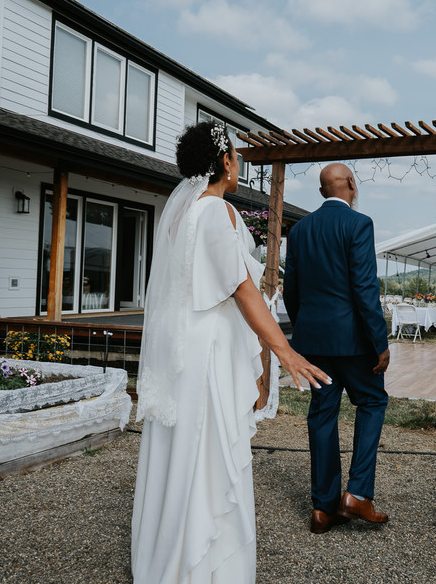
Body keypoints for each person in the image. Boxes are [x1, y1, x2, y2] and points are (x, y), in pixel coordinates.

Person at [131, 122, 330, 584]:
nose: (238, 164)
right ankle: (206, 564)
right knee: (208, 448)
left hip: (184, 342)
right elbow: (242, 289)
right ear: (224, 162)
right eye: (236, 157)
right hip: (209, 348)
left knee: (183, 447)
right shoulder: (217, 211)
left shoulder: (181, 214)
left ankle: (170, 556)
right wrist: (284, 351)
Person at [283, 163, 391, 534]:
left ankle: (323, 507)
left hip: (314, 341)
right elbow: (365, 289)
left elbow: (290, 290)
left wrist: (306, 332)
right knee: (373, 402)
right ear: (352, 186)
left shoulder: (299, 231)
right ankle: (358, 493)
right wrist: (380, 342)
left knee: (323, 415)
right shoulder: (359, 225)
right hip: (354, 342)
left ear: (321, 192)